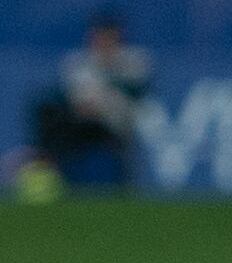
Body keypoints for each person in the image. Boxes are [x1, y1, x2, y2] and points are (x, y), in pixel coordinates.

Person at [24, 10, 153, 189]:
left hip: (115, 124)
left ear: (118, 36)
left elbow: (136, 92)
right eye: (98, 35)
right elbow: (72, 98)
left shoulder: (134, 60)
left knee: (89, 124)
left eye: (108, 35)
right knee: (49, 113)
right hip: (81, 123)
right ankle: (44, 172)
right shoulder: (78, 62)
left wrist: (102, 95)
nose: (103, 40)